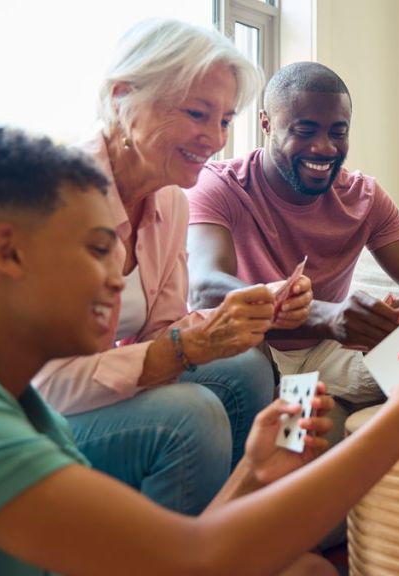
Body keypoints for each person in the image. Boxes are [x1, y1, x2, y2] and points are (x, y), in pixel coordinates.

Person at [0, 126, 399, 576]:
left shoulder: (11, 400)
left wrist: (252, 473)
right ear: (6, 252)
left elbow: (173, 558)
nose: (120, 280)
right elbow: (195, 558)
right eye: (98, 249)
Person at [29, 19, 311, 515]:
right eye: (198, 113)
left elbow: (162, 331)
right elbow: (45, 385)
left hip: (80, 398)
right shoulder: (58, 198)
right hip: (17, 417)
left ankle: (241, 534)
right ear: (122, 98)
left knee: (246, 365)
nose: (214, 138)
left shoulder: (170, 201)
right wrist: (183, 348)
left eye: (224, 120)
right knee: (191, 415)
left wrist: (248, 308)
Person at [186, 61, 399, 443]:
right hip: (260, 358)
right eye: (305, 130)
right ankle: (306, 435)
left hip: (331, 353)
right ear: (267, 124)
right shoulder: (221, 186)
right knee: (290, 434)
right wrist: (326, 315)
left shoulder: (364, 196)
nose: (324, 148)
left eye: (337, 132)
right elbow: (205, 287)